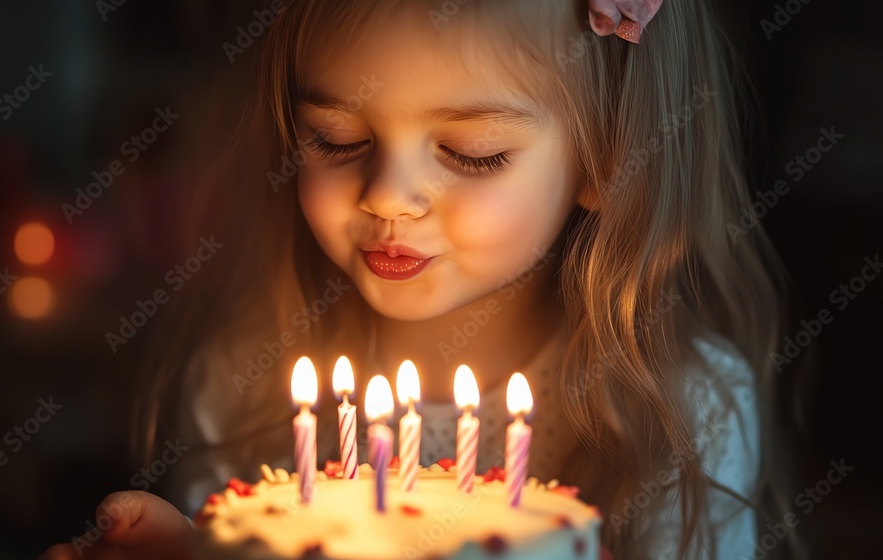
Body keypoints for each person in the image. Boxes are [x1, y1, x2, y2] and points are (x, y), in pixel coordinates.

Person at [41, 0, 801, 558]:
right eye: (336, 139)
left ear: (608, 157)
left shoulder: (680, 410)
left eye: (471, 152)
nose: (386, 195)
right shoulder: (241, 380)